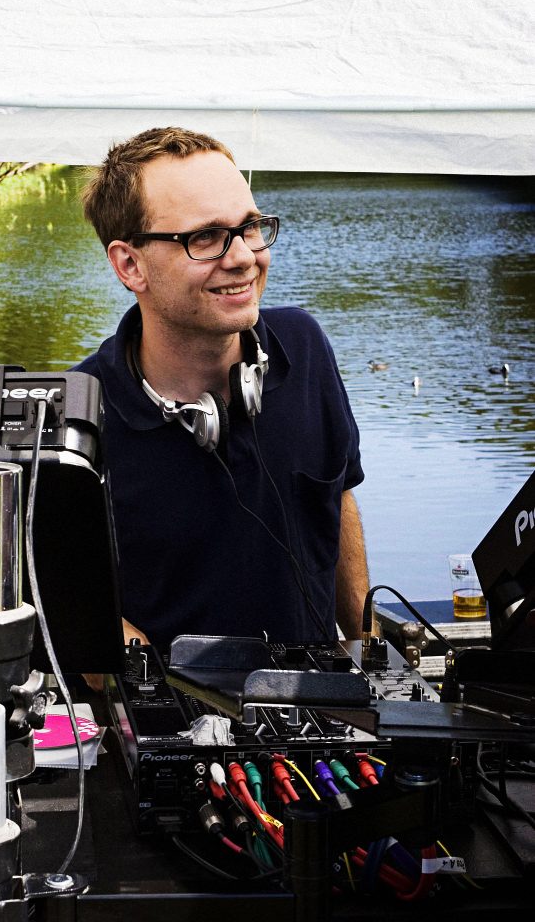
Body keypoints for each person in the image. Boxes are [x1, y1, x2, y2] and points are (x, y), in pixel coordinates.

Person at [75, 126, 370, 652]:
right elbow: (60, 599)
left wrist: (369, 649)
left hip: (323, 700)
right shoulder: (76, 413)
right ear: (130, 265)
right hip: (169, 704)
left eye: (249, 227)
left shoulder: (304, 346)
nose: (243, 257)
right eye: (206, 237)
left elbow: (337, 498)